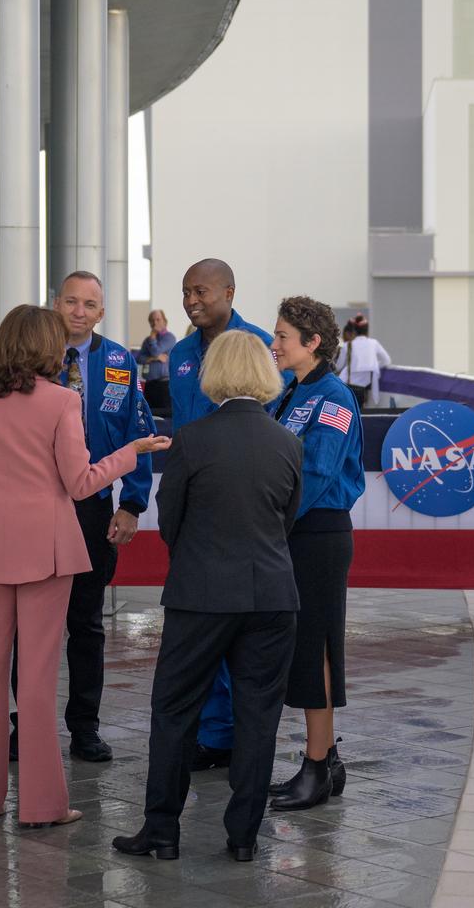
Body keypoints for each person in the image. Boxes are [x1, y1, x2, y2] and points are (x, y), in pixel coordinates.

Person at [0, 305, 170, 826]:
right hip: (45, 549)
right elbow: (81, 483)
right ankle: (42, 807)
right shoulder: (62, 401)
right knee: (39, 678)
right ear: (48, 347)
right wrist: (131, 450)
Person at [113, 331, 302, 863]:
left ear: (213, 372)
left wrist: (200, 556)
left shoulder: (192, 439)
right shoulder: (288, 443)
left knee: (175, 710)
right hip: (271, 596)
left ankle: (161, 831)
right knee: (259, 715)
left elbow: (169, 519)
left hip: (200, 594)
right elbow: (285, 520)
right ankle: (243, 836)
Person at [11, 271, 158, 765]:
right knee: (30, 624)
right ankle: (24, 726)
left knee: (87, 623)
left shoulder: (120, 362)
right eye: (70, 301)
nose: (78, 311)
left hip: (92, 508)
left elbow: (139, 434)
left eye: (89, 304)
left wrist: (132, 503)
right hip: (34, 506)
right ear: (55, 304)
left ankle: (84, 728)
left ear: (101, 312)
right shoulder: (30, 358)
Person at [166, 258, 280, 771]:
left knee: (244, 639)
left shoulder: (259, 346)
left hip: (245, 510)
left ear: (229, 291)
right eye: (186, 292)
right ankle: (214, 736)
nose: (192, 301)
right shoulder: (181, 354)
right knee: (202, 632)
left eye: (202, 292)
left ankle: (242, 740)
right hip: (197, 511)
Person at [268, 296, 365, 811]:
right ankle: (324, 761)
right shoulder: (288, 393)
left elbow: (320, 473)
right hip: (291, 535)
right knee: (302, 651)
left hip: (318, 536)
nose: (274, 343)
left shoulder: (333, 398)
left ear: (313, 343)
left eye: (283, 336)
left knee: (317, 651)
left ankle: (316, 765)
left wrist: (268, 524)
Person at [333, 313, 392, 408]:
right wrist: (374, 365)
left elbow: (338, 366)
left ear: (355, 331)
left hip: (346, 386)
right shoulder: (374, 343)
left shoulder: (348, 345)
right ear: (367, 331)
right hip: (363, 388)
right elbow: (387, 360)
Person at [139, 309, 176, 416]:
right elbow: (140, 358)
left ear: (165, 321)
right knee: (148, 414)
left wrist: (153, 337)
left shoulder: (169, 337)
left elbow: (156, 351)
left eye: (158, 319)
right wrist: (154, 359)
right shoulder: (148, 340)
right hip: (150, 384)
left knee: (164, 415)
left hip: (163, 384)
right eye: (152, 320)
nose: (155, 323)